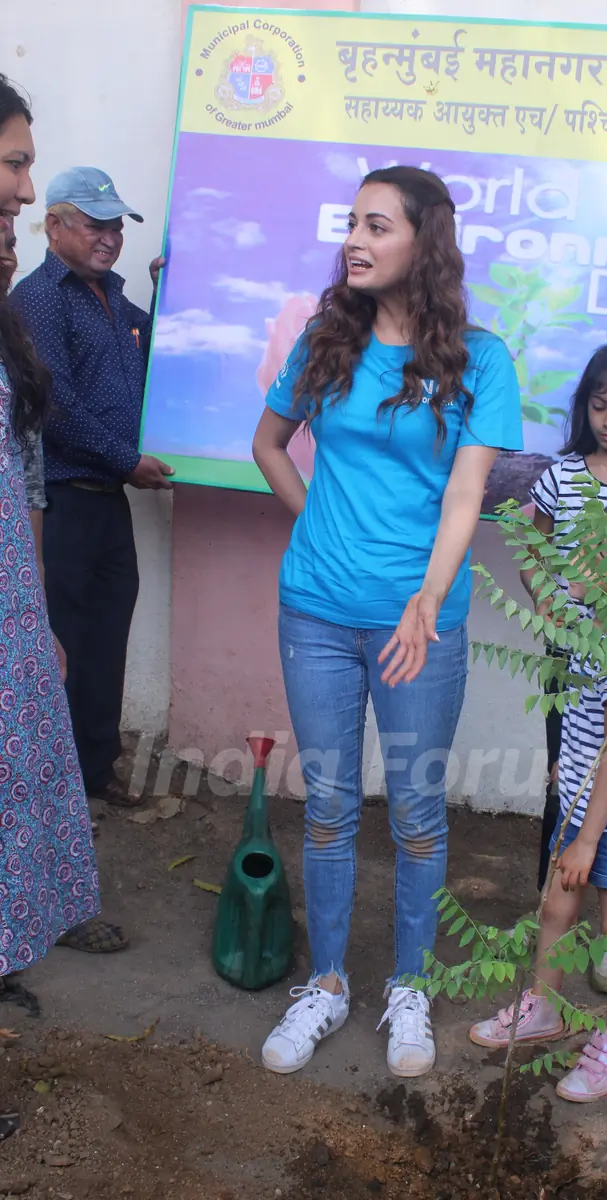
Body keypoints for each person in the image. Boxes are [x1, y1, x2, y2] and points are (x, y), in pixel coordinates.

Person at [252, 166, 523, 1078]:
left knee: (413, 811)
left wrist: (426, 594)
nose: (355, 240)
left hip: (421, 623)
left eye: (378, 225)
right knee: (327, 804)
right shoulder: (326, 341)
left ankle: (409, 986)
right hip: (316, 610)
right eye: (351, 224)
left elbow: (467, 492)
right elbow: (268, 442)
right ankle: (325, 985)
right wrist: (316, 525)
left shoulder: (480, 360)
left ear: (425, 241)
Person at [470, 348, 607, 1101]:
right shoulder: (564, 483)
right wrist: (548, 601)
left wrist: (584, 837)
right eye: (600, 404)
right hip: (584, 768)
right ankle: (543, 1008)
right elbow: (532, 538)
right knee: (558, 899)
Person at [10, 165, 174, 809]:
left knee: (107, 637)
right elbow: (54, 404)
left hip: (109, 500)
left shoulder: (111, 297)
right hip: (64, 502)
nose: (108, 237)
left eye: (116, 225)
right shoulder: (39, 298)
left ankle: (95, 771)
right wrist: (125, 459)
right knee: (64, 644)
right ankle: (52, 790)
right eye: (94, 223)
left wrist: (168, 292)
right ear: (54, 226)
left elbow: (158, 346)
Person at [0, 74, 101, 984]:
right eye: (15, 164)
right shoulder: (39, 302)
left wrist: (31, 609)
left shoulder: (13, 329)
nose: (24, 195)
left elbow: (21, 467)